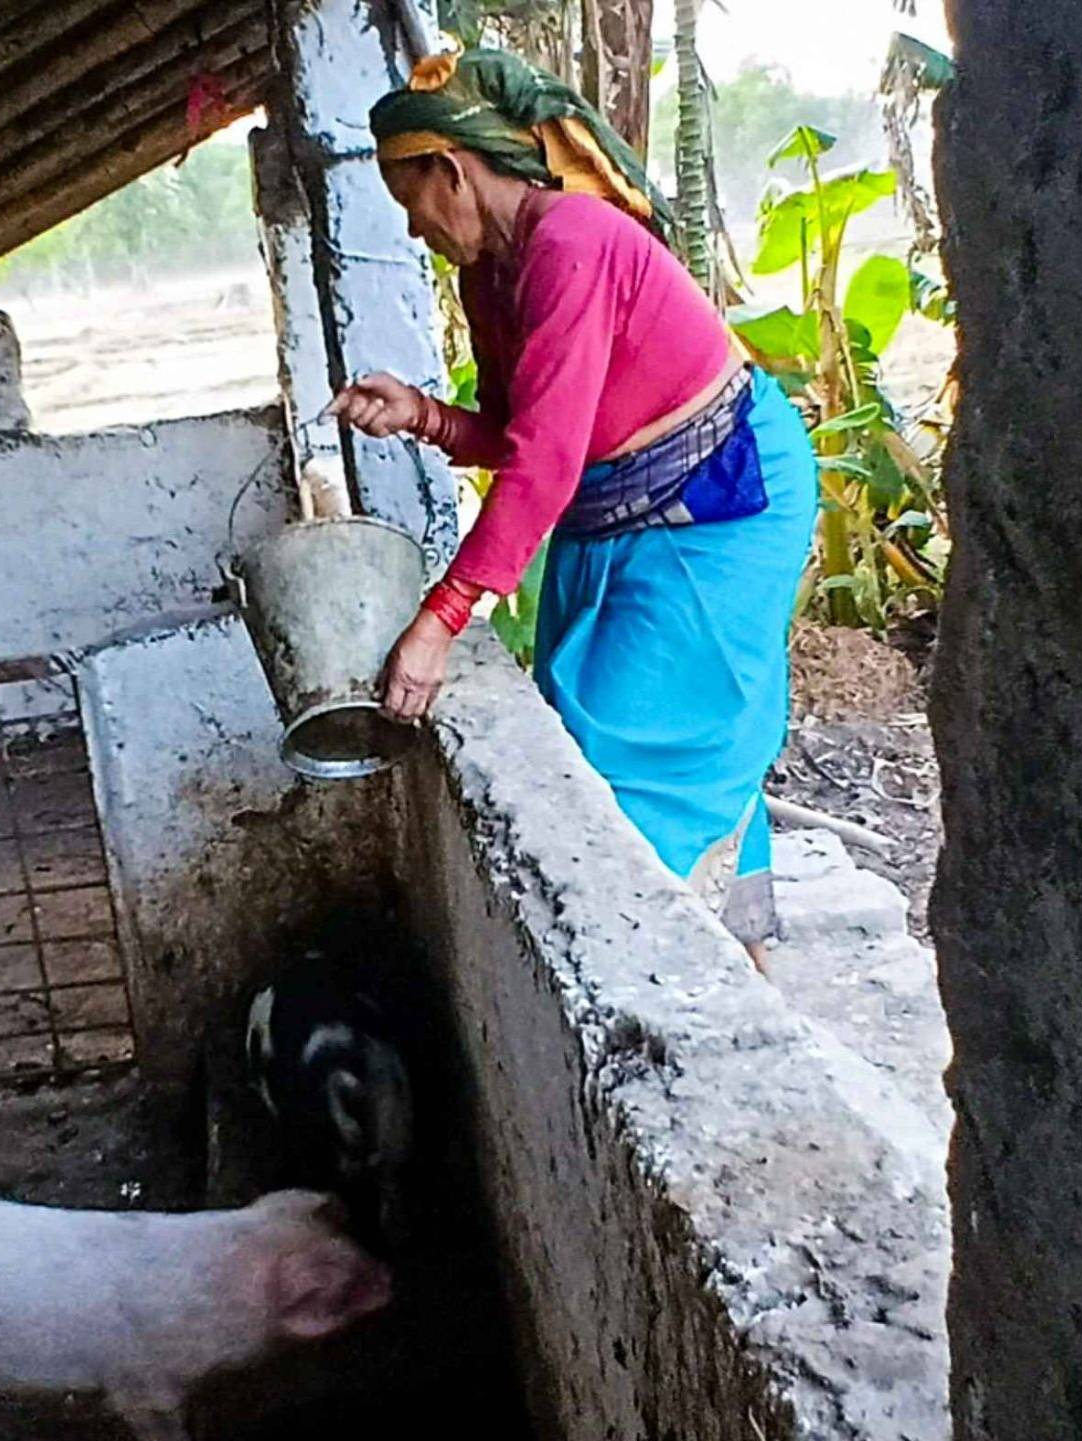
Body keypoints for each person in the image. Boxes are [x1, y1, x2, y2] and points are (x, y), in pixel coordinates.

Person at [329, 48, 816, 967]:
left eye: (411, 202)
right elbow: (524, 437)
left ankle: (683, 971)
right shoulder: (490, 274)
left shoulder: (571, 243)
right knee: (593, 727)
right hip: (617, 511)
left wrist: (441, 618)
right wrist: (425, 417)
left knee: (639, 752)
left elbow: (544, 464)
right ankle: (732, 965)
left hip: (718, 505)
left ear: (451, 170)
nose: (413, 229)